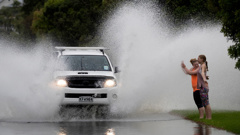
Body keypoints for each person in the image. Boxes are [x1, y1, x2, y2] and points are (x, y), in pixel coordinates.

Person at [181, 55, 212, 119]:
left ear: (202, 59)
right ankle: (206, 118)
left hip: (200, 87)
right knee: (201, 104)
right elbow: (188, 72)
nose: (197, 61)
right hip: (196, 88)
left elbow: (191, 72)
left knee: (205, 104)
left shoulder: (200, 67)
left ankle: (206, 117)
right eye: (195, 64)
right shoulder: (198, 67)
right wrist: (185, 68)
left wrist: (185, 67)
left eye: (198, 59)